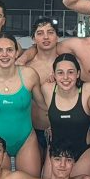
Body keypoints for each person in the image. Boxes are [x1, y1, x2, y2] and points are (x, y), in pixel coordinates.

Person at [0, 34, 45, 176]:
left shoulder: (29, 75)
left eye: (9, 50)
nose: (4, 54)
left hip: (26, 140)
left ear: (16, 53)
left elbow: (44, 105)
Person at [41, 53, 90, 179]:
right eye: (60, 73)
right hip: (55, 151)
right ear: (54, 75)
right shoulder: (47, 89)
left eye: (70, 72)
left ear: (78, 73)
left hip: (83, 151)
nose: (65, 77)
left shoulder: (89, 90)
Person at [24, 17, 60, 157]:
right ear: (33, 39)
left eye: (50, 32)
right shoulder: (26, 66)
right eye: (40, 33)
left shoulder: (67, 66)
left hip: (60, 130)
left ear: (57, 37)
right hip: (33, 130)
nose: (45, 37)